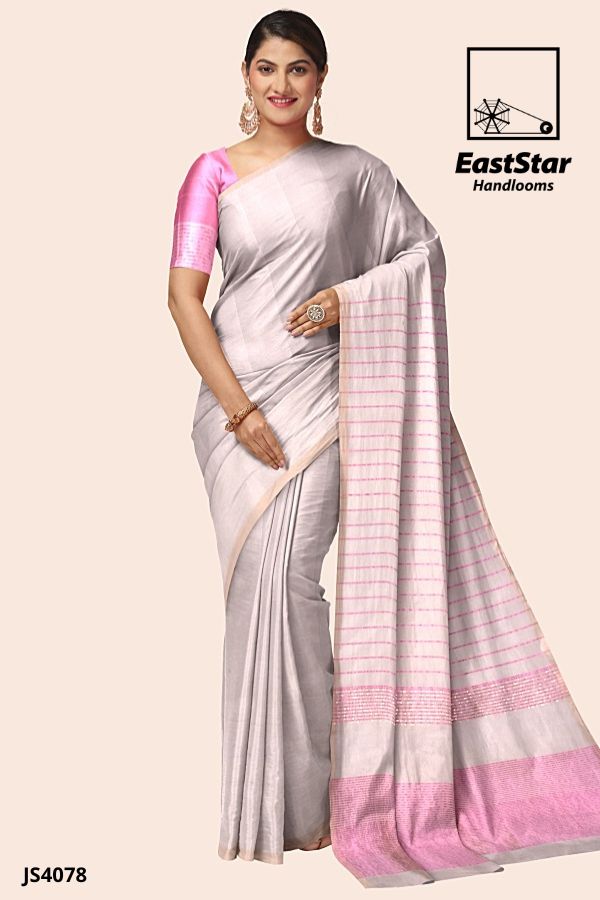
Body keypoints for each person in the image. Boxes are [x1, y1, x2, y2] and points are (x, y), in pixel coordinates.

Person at [167, 9, 600, 889]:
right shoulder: (211, 172)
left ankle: (321, 799)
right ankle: (268, 805)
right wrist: (240, 410)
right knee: (253, 593)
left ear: (321, 79)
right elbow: (182, 298)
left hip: (325, 398)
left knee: (291, 581)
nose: (281, 84)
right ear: (244, 76)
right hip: (234, 409)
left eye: (298, 68)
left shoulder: (358, 173)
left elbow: (424, 256)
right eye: (266, 68)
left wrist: (346, 300)